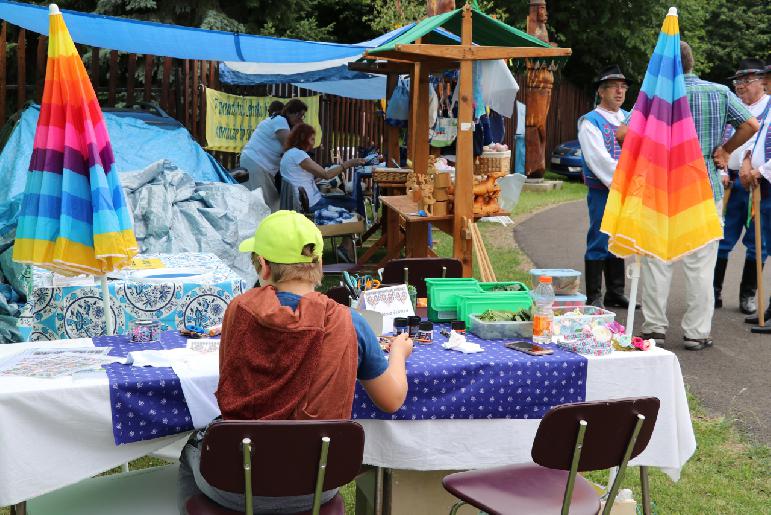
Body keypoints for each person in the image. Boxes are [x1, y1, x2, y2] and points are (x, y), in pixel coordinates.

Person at [177, 210, 413, 514]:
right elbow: (392, 399)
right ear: (319, 265)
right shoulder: (349, 322)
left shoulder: (239, 311)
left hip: (234, 484)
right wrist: (397, 354)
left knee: (190, 451)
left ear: (262, 266)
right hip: (316, 486)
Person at [639, 42, 758, 351]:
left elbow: (625, 134)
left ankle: (654, 329)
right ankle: (696, 332)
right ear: (691, 63)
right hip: (702, 183)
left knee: (656, 259)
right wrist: (726, 149)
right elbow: (751, 123)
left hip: (661, 184)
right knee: (700, 263)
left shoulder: (655, 95)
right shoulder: (718, 92)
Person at [714, 59, 770, 314]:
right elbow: (720, 145)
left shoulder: (770, 108)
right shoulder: (731, 107)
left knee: (758, 242)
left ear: (762, 82)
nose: (741, 86)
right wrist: (722, 170)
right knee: (722, 237)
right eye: (738, 81)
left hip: (763, 184)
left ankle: (748, 294)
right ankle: (713, 292)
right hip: (733, 183)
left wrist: (759, 170)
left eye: (747, 81)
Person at [577, 65, 633, 308]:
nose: (620, 92)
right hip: (604, 189)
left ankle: (615, 292)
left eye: (623, 87)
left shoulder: (630, 118)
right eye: (614, 87)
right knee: (600, 236)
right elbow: (597, 159)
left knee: (619, 237)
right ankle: (594, 295)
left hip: (626, 188)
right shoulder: (590, 122)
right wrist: (623, 181)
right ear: (601, 91)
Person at [280, 123, 364, 262]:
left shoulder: (289, 154)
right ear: (303, 138)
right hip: (313, 205)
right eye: (312, 139)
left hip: (309, 201)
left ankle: (346, 245)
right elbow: (326, 174)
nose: (313, 143)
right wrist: (347, 164)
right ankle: (346, 246)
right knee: (353, 205)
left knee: (348, 202)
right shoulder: (298, 155)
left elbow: (310, 176)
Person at [742, 60, 771, 325]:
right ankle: (769, 308)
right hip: (764, 182)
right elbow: (759, 140)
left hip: (767, 179)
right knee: (764, 244)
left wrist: (761, 171)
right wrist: (750, 159)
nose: (765, 82)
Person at [240, 99, 308, 211]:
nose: (301, 119)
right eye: (299, 115)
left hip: (259, 165)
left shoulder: (281, 121)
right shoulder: (280, 121)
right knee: (261, 205)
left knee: (272, 202)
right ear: (289, 112)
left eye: (302, 116)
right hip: (256, 163)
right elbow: (289, 146)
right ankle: (259, 228)